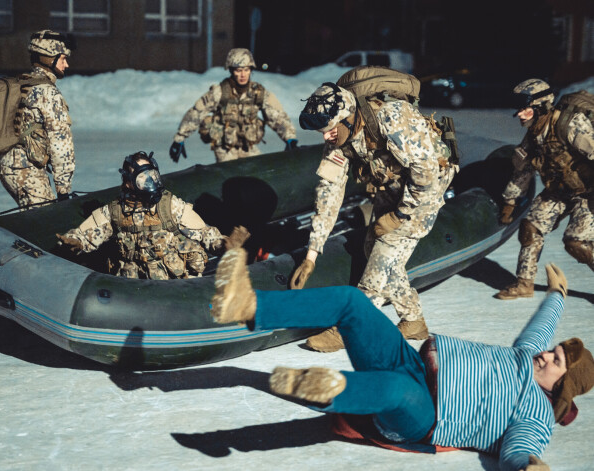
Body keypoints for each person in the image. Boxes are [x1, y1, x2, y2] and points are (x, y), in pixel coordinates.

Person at [210, 236, 594, 471]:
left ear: (563, 385)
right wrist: (556, 296)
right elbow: (540, 329)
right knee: (351, 302)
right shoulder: (527, 355)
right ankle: (248, 307)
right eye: (553, 351)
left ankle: (325, 390)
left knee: (396, 390)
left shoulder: (538, 415)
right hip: (412, 364)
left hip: (422, 414)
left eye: (555, 360)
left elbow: (519, 449)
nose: (545, 355)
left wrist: (529, 466)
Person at [290, 80, 456, 348]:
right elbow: (328, 194)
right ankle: (413, 320)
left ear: (347, 118)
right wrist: (312, 254)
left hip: (427, 188)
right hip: (393, 186)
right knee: (372, 245)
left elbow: (426, 172)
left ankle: (351, 328)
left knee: (385, 251)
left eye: (329, 129)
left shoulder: (393, 117)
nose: (326, 137)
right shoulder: (339, 139)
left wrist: (401, 215)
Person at [495, 79, 594, 300]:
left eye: (526, 110)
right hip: (559, 191)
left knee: (577, 244)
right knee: (530, 228)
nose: (520, 115)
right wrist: (510, 201)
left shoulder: (571, 125)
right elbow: (522, 170)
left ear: (541, 108)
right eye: (519, 110)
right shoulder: (534, 132)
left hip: (588, 192)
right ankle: (524, 284)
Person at [56, 151, 225, 280]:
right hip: (133, 286)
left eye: (152, 176)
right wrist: (75, 242)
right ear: (129, 182)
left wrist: (222, 244)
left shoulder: (169, 206)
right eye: (143, 178)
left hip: (172, 283)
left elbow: (205, 233)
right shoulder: (115, 211)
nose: (150, 182)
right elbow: (86, 235)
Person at [0, 30, 77, 208]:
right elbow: (61, 144)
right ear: (48, 58)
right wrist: (63, 189)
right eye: (62, 58)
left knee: (38, 222)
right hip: (26, 171)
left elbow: (4, 123)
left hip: (10, 166)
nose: (66, 64)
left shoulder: (23, 84)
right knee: (45, 225)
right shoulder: (47, 93)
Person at [169, 48, 298, 163]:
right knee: (231, 181)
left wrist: (289, 137)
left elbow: (276, 116)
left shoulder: (258, 92)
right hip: (225, 149)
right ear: (231, 71)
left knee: (261, 174)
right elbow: (196, 113)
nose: (242, 74)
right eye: (238, 70)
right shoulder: (219, 92)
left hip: (248, 146)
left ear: (251, 70)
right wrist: (180, 138)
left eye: (246, 70)